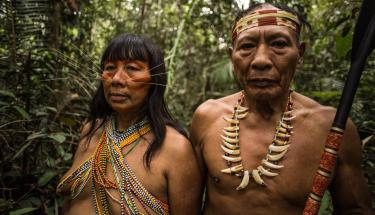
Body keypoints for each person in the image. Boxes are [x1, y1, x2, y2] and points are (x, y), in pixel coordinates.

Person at [190, 3, 373, 214]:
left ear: (300, 54)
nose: (260, 60)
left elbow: (355, 209)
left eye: (278, 44)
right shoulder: (207, 118)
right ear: (232, 57)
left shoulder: (331, 128)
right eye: (247, 46)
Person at [57, 33, 202, 215]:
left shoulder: (175, 149)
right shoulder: (90, 130)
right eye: (110, 67)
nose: (116, 79)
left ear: (154, 80)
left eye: (132, 68)